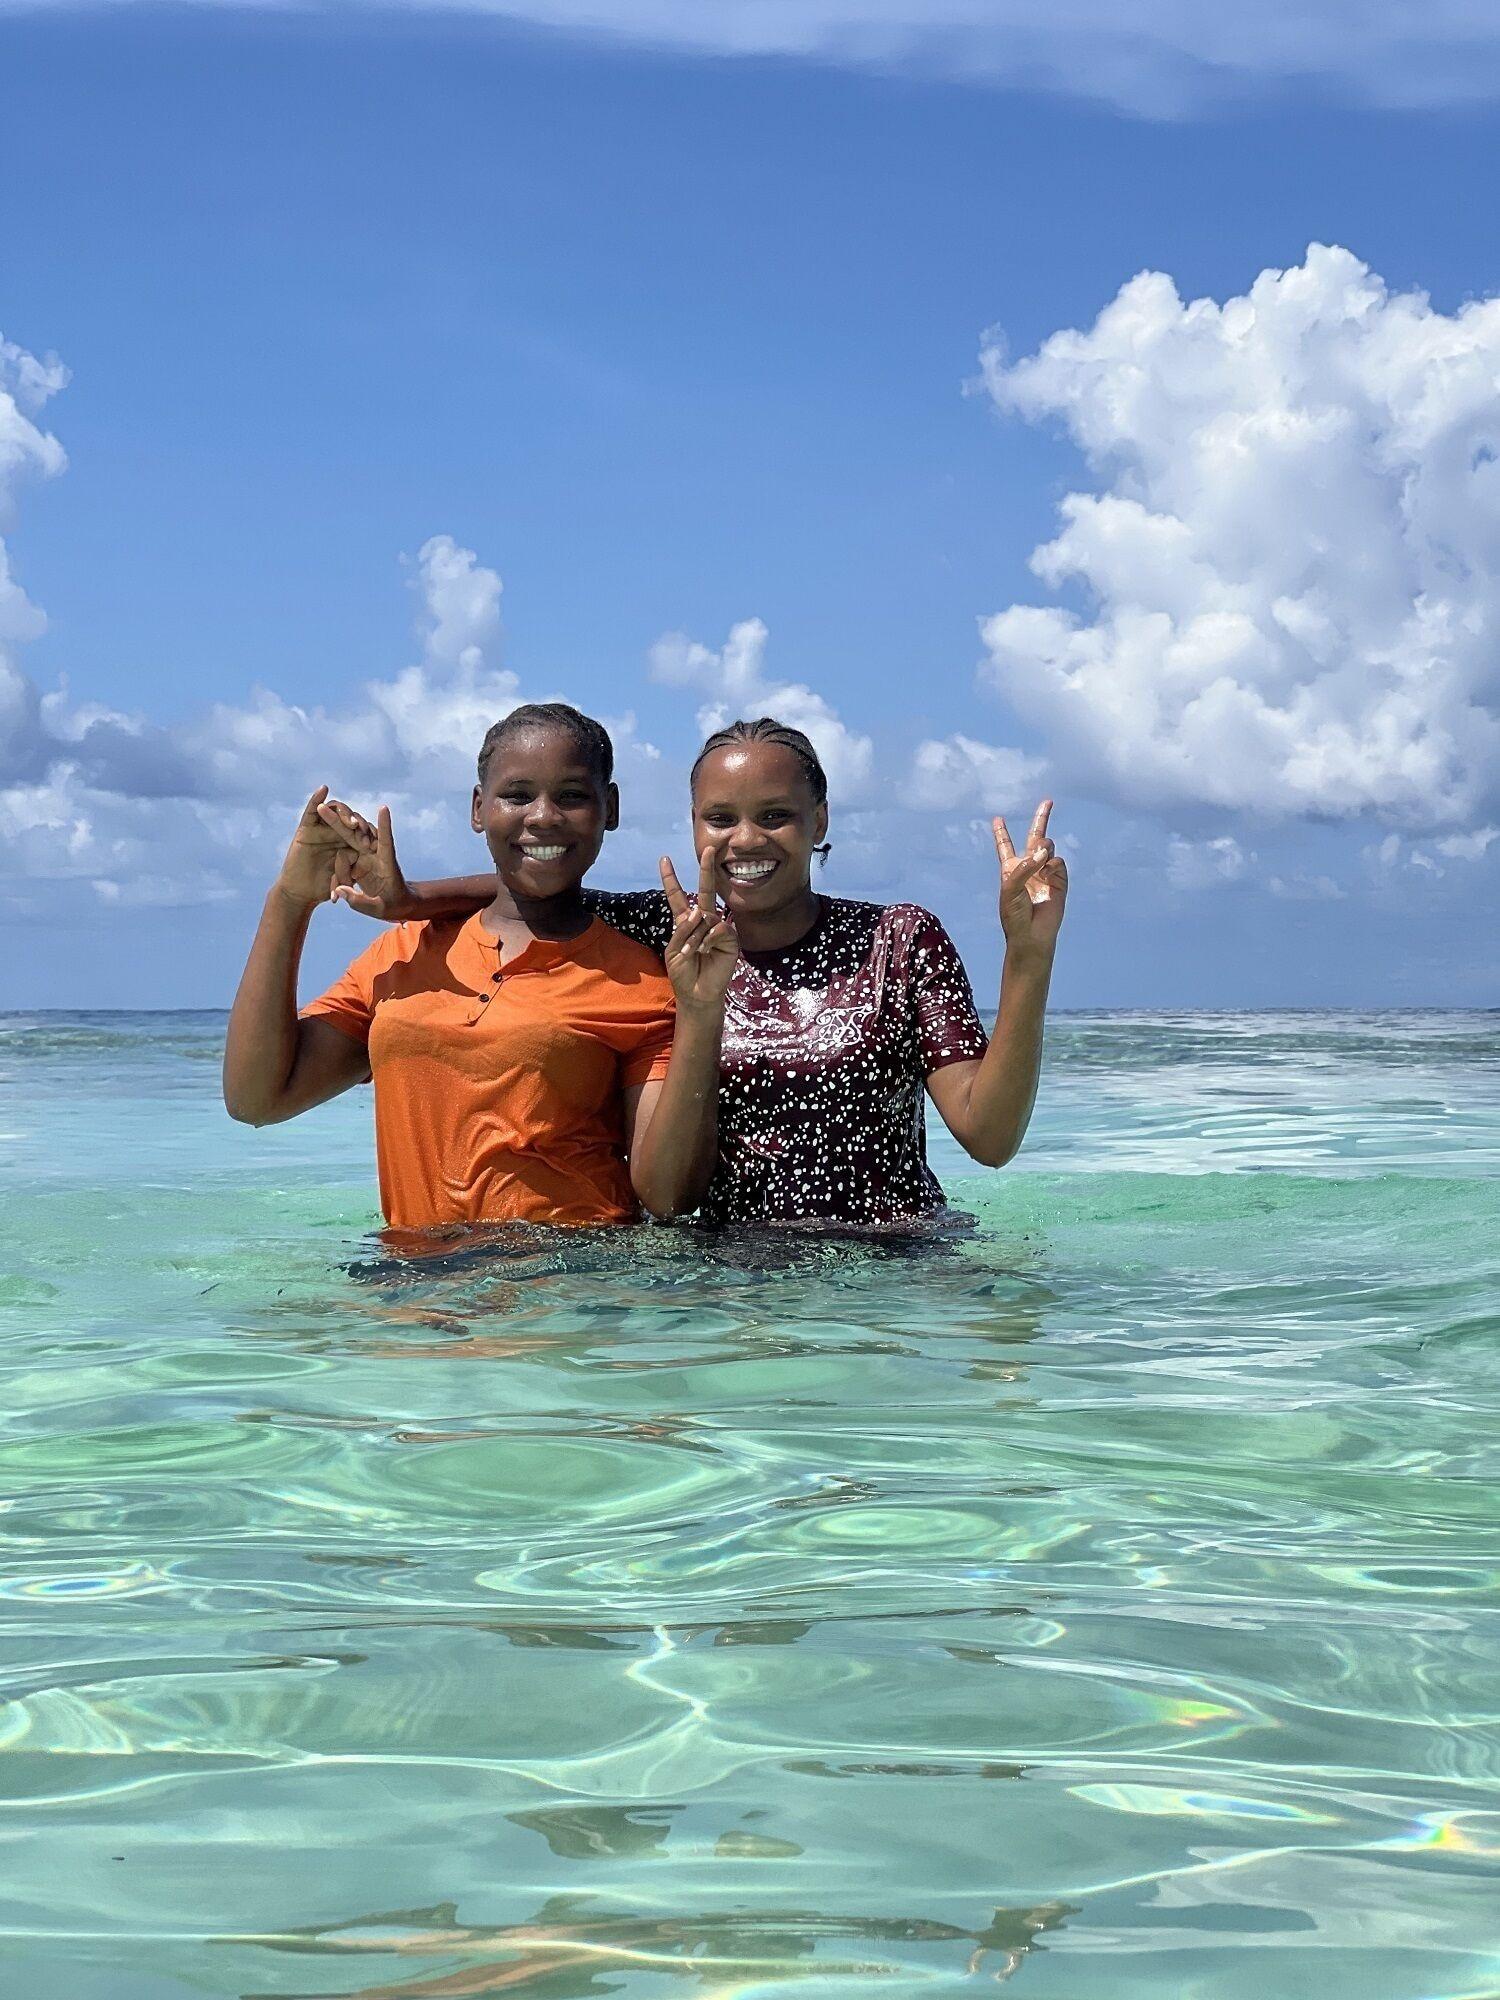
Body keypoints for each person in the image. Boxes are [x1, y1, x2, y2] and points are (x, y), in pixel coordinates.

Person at [322, 716, 1068, 1231]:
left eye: (775, 816)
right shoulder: (666, 928)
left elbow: (989, 1137)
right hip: (716, 1283)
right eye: (720, 818)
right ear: (693, 825)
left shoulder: (897, 939)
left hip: (890, 1267)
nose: (746, 839)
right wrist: (409, 900)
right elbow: (533, 888)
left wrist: (1027, 962)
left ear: (819, 821)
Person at [222, 703, 737, 1231]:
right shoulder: (402, 954)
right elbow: (256, 1100)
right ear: (478, 808)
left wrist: (700, 1011)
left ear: (610, 808)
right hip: (417, 1275)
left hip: (572, 1274)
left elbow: (667, 1196)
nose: (543, 816)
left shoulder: (641, 983)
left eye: (572, 796)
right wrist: (290, 901)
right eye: (517, 795)